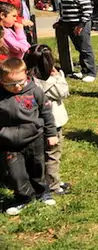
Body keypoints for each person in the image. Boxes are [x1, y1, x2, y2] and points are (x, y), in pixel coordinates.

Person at [0, 57, 58, 215]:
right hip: (8, 143)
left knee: (37, 168)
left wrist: (51, 133)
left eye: (20, 81)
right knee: (16, 174)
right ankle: (23, 198)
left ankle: (42, 192)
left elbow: (46, 113)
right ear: (2, 80)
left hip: (34, 139)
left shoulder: (35, 91)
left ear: (26, 75)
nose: (17, 86)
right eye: (10, 84)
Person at [24, 45, 71, 196]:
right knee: (52, 155)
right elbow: (64, 92)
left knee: (39, 155)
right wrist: (58, 76)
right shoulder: (48, 82)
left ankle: (41, 180)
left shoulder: (26, 80)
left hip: (33, 124)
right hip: (52, 125)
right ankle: (53, 185)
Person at [54, 0, 96, 82]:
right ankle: (84, 70)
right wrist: (61, 22)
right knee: (79, 48)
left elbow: (87, 11)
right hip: (69, 25)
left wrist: (80, 25)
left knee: (85, 48)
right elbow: (66, 12)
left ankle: (91, 72)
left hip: (80, 25)